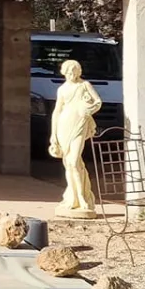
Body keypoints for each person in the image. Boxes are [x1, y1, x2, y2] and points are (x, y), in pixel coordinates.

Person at [48, 59, 100, 218]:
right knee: (68, 163)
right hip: (64, 125)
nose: (72, 75)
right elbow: (57, 111)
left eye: (74, 72)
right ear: (64, 73)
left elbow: (98, 102)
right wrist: (53, 134)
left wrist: (88, 110)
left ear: (78, 72)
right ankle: (73, 196)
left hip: (79, 123)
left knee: (74, 160)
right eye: (69, 72)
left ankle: (83, 198)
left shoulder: (84, 85)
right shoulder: (62, 89)